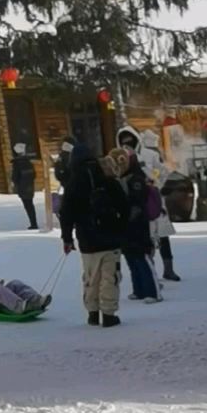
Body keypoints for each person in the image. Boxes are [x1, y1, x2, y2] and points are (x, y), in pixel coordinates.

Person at [59, 139, 128, 327]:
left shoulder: (73, 183)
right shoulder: (107, 177)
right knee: (109, 277)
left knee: (91, 277)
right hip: (110, 237)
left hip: (87, 238)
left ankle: (92, 313)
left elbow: (66, 213)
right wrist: (122, 227)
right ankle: (108, 314)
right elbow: (124, 205)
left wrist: (67, 238)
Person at [117, 125, 179, 282]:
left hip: (153, 199)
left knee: (163, 236)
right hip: (136, 202)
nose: (127, 143)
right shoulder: (120, 157)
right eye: (123, 141)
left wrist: (158, 184)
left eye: (129, 140)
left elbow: (163, 171)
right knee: (145, 239)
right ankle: (150, 272)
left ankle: (168, 269)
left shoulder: (150, 154)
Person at [110, 145, 161, 303]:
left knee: (142, 257)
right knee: (131, 257)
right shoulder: (121, 179)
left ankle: (153, 292)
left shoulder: (136, 178)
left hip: (138, 225)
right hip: (126, 225)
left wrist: (129, 216)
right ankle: (138, 289)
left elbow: (137, 201)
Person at [10, 143, 38, 230]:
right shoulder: (29, 162)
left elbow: (15, 177)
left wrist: (15, 183)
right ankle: (34, 223)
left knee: (28, 206)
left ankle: (33, 224)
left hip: (22, 187)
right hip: (30, 186)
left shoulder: (17, 163)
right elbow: (34, 175)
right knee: (30, 205)